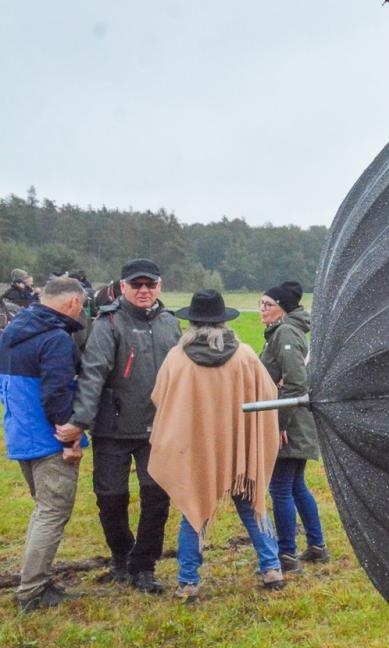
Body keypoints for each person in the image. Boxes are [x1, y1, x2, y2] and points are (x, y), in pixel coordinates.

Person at [148, 290, 284, 602]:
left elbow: (159, 397)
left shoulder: (177, 358)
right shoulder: (245, 355)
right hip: (240, 448)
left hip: (198, 451)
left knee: (193, 509)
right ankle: (272, 568)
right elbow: (268, 393)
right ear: (223, 322)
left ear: (192, 323)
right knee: (252, 504)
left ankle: (188, 581)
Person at [55, 258, 181, 593]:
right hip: (112, 428)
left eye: (150, 284)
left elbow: (183, 375)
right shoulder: (108, 323)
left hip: (158, 428)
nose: (144, 290)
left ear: (159, 286)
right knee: (110, 497)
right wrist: (80, 420)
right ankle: (121, 557)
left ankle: (145, 566)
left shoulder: (170, 323)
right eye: (136, 284)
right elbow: (92, 374)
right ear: (123, 286)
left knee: (156, 498)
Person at [1, 277, 88, 612]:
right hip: (49, 439)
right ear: (73, 303)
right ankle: (32, 590)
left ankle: (35, 579)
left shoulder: (13, 330)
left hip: (20, 434)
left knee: (43, 512)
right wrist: (70, 437)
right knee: (52, 514)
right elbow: (56, 394)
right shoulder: (55, 339)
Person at [259, 281, 328, 570]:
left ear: (283, 308)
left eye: (268, 305)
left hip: (291, 423)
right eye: (261, 304)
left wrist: (279, 423)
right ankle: (316, 546)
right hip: (295, 419)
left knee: (280, 488)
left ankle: (286, 554)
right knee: (296, 485)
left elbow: (297, 383)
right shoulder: (286, 330)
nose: (262, 310)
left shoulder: (285, 332)